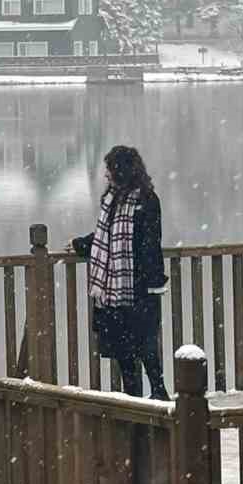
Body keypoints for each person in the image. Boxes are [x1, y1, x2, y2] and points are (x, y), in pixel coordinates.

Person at [68, 145, 170, 399]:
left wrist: (144, 281)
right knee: (125, 350)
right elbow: (107, 236)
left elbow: (149, 242)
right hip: (114, 290)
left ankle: (159, 393)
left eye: (110, 170)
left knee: (146, 347)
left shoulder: (146, 200)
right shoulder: (112, 200)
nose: (106, 176)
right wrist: (81, 244)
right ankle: (133, 398)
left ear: (123, 171)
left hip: (139, 289)